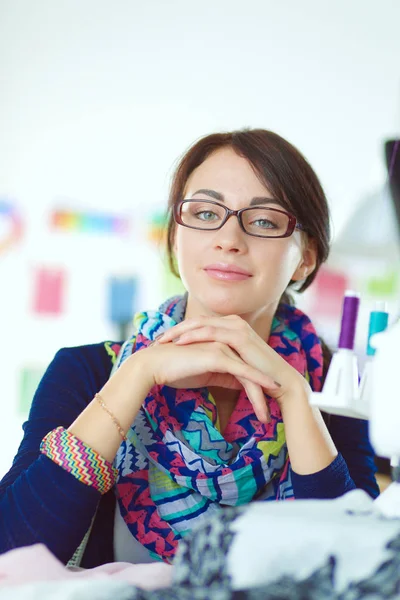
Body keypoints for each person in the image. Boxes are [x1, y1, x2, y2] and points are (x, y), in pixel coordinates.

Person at [0, 129, 379, 569]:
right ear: (175, 237)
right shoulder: (86, 370)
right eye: (204, 212)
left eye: (263, 220)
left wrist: (295, 397)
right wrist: (136, 376)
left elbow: (359, 566)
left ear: (307, 256)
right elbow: (11, 555)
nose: (229, 239)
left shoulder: (333, 382)